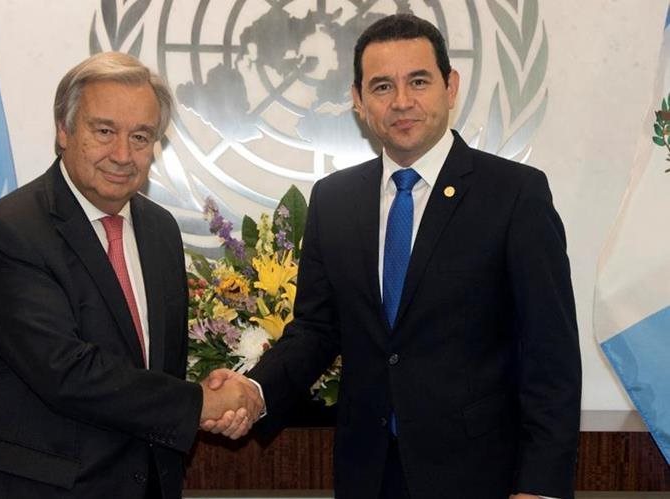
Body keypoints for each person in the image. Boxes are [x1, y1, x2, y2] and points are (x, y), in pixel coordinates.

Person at [242, 13, 581, 499]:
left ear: (450, 86)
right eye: (381, 86)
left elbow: (551, 354)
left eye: (418, 81)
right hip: (367, 474)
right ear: (359, 102)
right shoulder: (334, 199)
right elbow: (316, 330)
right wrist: (253, 392)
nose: (401, 101)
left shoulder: (515, 195)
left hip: (481, 477)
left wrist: (541, 486)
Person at [0, 52, 261, 499]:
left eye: (140, 137)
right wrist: (199, 403)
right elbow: (66, 372)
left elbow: (151, 367)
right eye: (105, 131)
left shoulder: (160, 230)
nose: (122, 155)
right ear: (64, 130)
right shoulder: (11, 231)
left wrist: (207, 393)